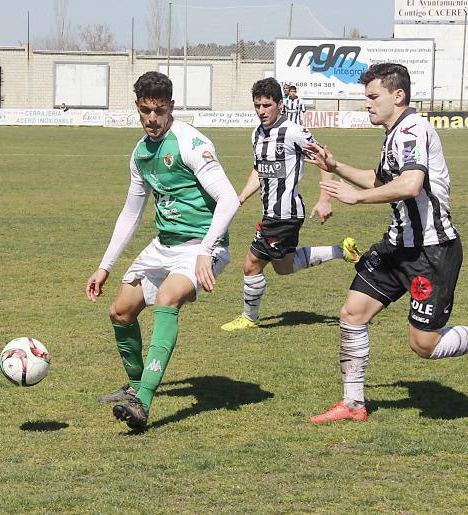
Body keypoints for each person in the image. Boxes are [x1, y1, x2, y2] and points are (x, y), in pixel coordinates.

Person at [304, 63, 468, 423]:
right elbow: (379, 179)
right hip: (397, 248)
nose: (367, 104)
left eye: (373, 97)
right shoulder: (394, 134)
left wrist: (355, 199)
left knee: (424, 345)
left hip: (432, 251)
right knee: (352, 314)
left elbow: (410, 185)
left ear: (398, 95)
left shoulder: (411, 130)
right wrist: (336, 164)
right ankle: (354, 404)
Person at [86, 71, 240, 430]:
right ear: (137, 108)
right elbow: (131, 213)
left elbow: (229, 198)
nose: (152, 119)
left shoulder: (190, 143)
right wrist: (104, 266)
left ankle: (143, 402)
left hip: (202, 246)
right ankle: (137, 385)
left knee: (168, 299)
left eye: (159, 110)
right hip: (164, 245)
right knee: (121, 311)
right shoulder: (140, 154)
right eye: (145, 111)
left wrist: (206, 250)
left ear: (171, 106)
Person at [220, 77, 359, 332]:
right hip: (272, 212)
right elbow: (258, 171)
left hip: (283, 214)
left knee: (251, 264)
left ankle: (250, 317)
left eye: (266, 105)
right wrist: (241, 197)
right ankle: (341, 251)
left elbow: (324, 159)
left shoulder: (293, 131)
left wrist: (325, 198)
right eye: (257, 105)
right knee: (284, 267)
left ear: (280, 105)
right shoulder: (257, 134)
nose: (261, 111)